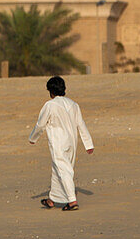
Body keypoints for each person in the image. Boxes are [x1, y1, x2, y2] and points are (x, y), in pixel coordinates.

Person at [28, 75, 94, 211]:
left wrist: (33, 138)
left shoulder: (50, 105)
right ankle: (53, 199)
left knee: (64, 170)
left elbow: (40, 124)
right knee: (58, 169)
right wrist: (88, 144)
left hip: (59, 142)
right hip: (72, 143)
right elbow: (81, 125)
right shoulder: (73, 104)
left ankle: (72, 201)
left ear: (51, 91)